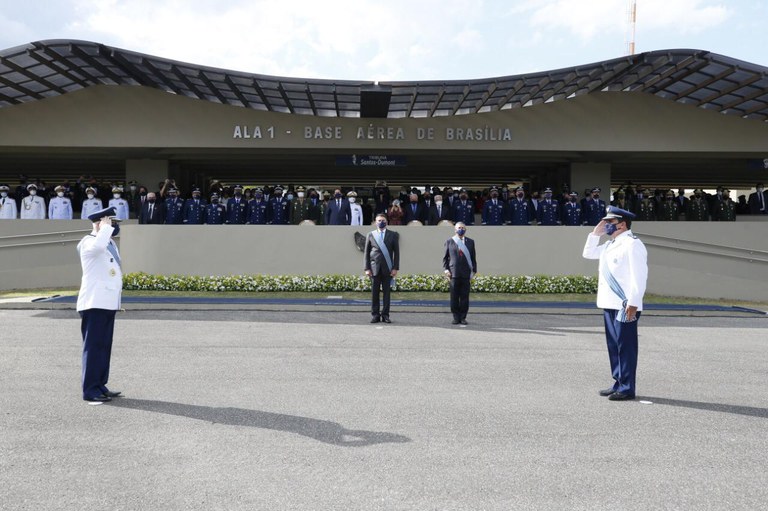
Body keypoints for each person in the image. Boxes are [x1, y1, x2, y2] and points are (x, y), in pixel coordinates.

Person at [582, 206, 648, 401]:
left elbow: (639, 276)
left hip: (625, 305)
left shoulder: (632, 244)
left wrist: (634, 303)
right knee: (614, 346)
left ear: (622, 224)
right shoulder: (611, 244)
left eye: (610, 223)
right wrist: (595, 233)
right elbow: (588, 253)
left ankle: (627, 387)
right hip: (609, 303)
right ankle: (618, 382)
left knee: (625, 346)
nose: (607, 226)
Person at [76, 206, 124, 403]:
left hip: (107, 303)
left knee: (104, 347)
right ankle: (90, 391)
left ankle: (100, 385)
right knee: (94, 347)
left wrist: (116, 301)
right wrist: (103, 229)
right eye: (111, 223)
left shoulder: (109, 242)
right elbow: (97, 248)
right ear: (99, 224)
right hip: (94, 303)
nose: (114, 227)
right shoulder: (88, 242)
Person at [364, 213, 399, 323]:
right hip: (374, 269)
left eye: (383, 220)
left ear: (387, 222)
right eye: (379, 220)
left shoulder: (393, 235)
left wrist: (395, 268)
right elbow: (366, 253)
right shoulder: (371, 235)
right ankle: (375, 315)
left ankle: (385, 315)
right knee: (374, 293)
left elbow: (396, 253)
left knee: (387, 294)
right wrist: (367, 268)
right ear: (375, 222)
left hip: (387, 269)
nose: (381, 222)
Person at [443, 222, 477, 325]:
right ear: (455, 229)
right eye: (459, 228)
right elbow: (445, 258)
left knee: (464, 297)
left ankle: (463, 317)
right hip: (454, 273)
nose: (461, 229)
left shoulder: (471, 242)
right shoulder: (449, 241)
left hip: (466, 274)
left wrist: (474, 271)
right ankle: (455, 317)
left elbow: (473, 258)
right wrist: (446, 270)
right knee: (454, 297)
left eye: (462, 228)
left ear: (465, 229)